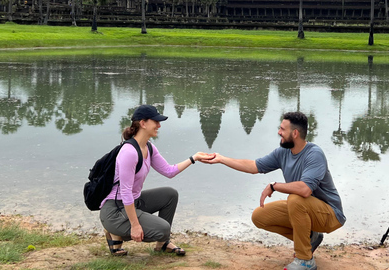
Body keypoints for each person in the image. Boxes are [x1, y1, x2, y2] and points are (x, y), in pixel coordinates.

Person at [204, 111, 344, 270]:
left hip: (330, 215)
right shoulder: (283, 152)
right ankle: (311, 237)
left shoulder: (314, 154)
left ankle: (305, 260)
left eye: (282, 129)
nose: (279, 132)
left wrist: (274, 186)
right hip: (306, 210)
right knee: (260, 216)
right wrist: (222, 159)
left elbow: (304, 190)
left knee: (295, 198)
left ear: (295, 133)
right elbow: (253, 166)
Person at [99, 104, 211, 256]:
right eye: (156, 121)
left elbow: (169, 171)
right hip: (115, 210)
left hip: (134, 201)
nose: (159, 125)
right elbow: (125, 192)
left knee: (170, 194)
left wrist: (194, 158)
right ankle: (115, 232)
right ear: (143, 123)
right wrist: (135, 225)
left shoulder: (149, 147)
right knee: (163, 229)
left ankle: (162, 244)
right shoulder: (129, 152)